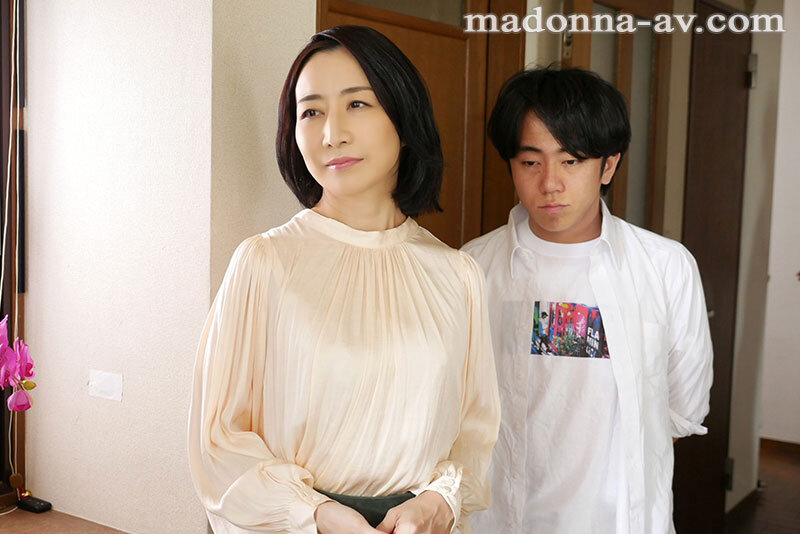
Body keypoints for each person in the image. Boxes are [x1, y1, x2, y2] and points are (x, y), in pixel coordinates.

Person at [188, 25, 500, 534]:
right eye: (311, 112)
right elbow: (218, 442)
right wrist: (315, 514)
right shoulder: (264, 263)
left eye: (357, 104)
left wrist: (438, 501)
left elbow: (474, 432)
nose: (332, 133)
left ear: (404, 116)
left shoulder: (458, 275)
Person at [463, 67, 713, 534]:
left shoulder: (666, 267)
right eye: (530, 162)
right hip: (500, 520)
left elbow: (681, 411)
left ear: (608, 166)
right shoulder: (471, 268)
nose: (550, 183)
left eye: (572, 161)